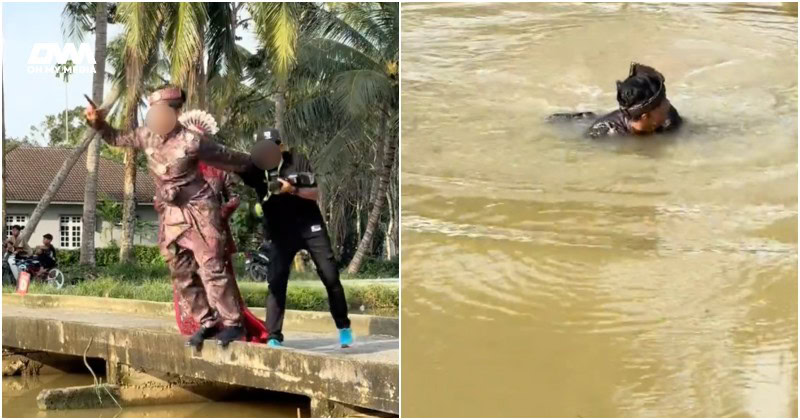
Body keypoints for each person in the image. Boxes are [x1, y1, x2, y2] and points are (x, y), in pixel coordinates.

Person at [85, 84, 260, 349]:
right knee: (181, 271)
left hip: (201, 210)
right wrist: (98, 123)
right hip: (172, 212)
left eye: (162, 111)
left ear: (175, 113)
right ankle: (207, 321)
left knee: (211, 267)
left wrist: (260, 166)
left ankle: (233, 324)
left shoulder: (193, 141)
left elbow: (230, 159)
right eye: (152, 111)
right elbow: (116, 138)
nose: (156, 117)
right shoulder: (145, 136)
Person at [239, 129, 353, 348]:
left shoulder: (298, 160)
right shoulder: (255, 171)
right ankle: (273, 335)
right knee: (276, 281)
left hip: (310, 226)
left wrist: (292, 190)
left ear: (280, 146)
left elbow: (315, 193)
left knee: (330, 276)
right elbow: (230, 165)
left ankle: (343, 326)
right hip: (280, 232)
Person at [547, 62, 682, 138]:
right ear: (646, 116)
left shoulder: (669, 119)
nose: (668, 104)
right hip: (586, 122)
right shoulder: (604, 134)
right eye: (663, 102)